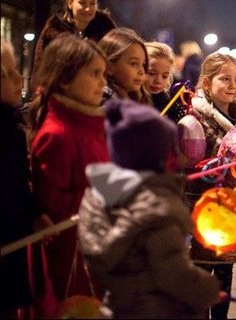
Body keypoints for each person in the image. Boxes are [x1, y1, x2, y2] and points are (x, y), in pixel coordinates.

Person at [78, 99, 221, 319]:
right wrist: (208, 288)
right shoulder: (156, 209)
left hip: (117, 306)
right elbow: (174, 273)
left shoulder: (98, 196)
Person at [29, 33, 109, 303]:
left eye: (104, 74)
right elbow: (55, 207)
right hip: (72, 260)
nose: (102, 83)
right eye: (94, 74)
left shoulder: (89, 125)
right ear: (64, 79)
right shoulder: (58, 134)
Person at [186, 51, 236, 319]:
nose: (233, 85)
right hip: (203, 208)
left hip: (230, 207)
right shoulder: (196, 118)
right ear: (207, 83)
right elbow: (189, 161)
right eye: (225, 79)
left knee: (225, 275)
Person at [0, 41, 53, 318]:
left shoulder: (12, 128)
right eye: (9, 72)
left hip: (13, 244)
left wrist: (35, 212)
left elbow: (18, 183)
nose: (19, 78)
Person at [32, 0, 116, 90]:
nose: (88, 8)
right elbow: (41, 69)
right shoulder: (54, 32)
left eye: (92, 3)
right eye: (82, 3)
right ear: (70, 3)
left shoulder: (106, 29)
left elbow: (118, 57)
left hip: (101, 91)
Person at [98, 27, 152, 105]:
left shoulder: (134, 99)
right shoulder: (107, 104)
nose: (142, 71)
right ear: (109, 67)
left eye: (143, 64)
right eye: (133, 63)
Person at [143, 41, 187, 122]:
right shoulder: (127, 102)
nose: (158, 81)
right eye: (152, 73)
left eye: (164, 76)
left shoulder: (173, 110)